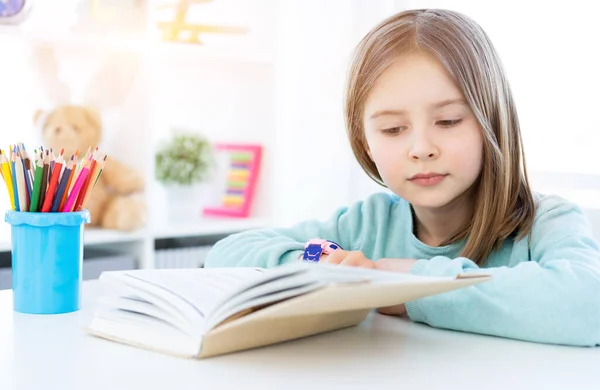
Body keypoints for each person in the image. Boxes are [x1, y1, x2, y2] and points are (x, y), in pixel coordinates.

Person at [204, 9, 600, 347]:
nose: (421, 147)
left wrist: (405, 284)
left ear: (491, 121)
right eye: (393, 129)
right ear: (365, 140)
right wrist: (313, 262)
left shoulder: (546, 222)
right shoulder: (365, 224)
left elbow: (588, 304)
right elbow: (225, 255)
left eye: (447, 121)